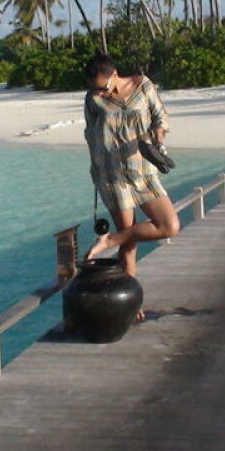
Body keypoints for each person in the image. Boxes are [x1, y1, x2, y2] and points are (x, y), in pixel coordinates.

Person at [83, 52, 180, 321]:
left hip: (144, 171)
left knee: (169, 225)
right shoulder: (93, 99)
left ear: (114, 73)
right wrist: (96, 173)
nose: (98, 91)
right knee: (130, 240)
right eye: (94, 87)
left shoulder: (143, 85)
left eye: (102, 85)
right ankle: (131, 301)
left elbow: (160, 116)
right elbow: (91, 135)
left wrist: (159, 136)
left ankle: (109, 240)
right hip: (112, 174)